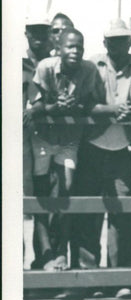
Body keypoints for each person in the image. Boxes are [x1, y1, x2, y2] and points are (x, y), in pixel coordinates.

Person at [73, 20, 131, 297]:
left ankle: (120, 279)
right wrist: (112, 109)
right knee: (89, 212)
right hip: (93, 144)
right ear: (105, 43)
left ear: (130, 41)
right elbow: (84, 105)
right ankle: (91, 280)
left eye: (123, 40)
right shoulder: (93, 64)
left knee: (123, 214)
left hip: (123, 149)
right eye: (112, 40)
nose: (118, 45)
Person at [28, 29, 105, 273]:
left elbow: (92, 103)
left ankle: (60, 253)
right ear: (58, 48)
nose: (75, 51)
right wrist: (55, 106)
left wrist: (79, 106)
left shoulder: (89, 69)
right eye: (70, 47)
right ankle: (45, 255)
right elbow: (35, 107)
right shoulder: (45, 67)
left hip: (69, 141)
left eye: (79, 47)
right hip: (43, 138)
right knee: (41, 199)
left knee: (65, 193)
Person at [23, 16, 56, 269]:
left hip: (48, 139)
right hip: (20, 142)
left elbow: (43, 102)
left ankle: (44, 257)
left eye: (43, 32)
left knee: (46, 199)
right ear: (26, 33)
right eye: (34, 32)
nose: (39, 37)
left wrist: (37, 109)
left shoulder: (56, 64)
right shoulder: (16, 62)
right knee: (17, 202)